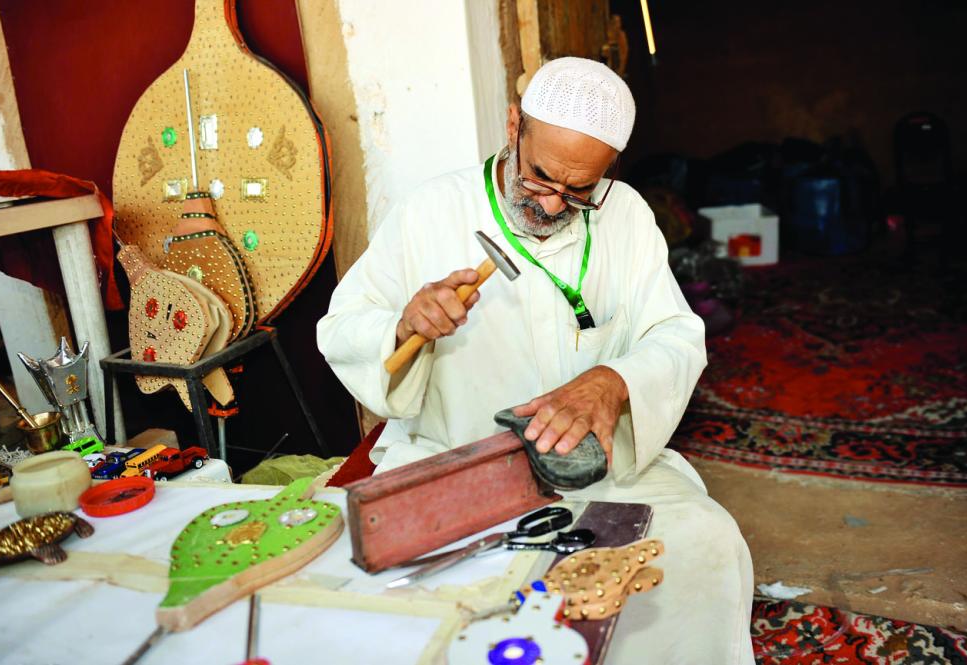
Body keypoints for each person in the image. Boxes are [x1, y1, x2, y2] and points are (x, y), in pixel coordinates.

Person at [317, 57, 755, 664]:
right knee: (428, 596)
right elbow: (340, 327)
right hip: (461, 462)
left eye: (579, 191)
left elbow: (678, 335)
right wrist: (402, 325)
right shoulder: (431, 211)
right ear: (513, 125)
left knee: (708, 547)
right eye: (541, 179)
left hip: (598, 467)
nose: (553, 206)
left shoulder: (626, 215)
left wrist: (612, 381)